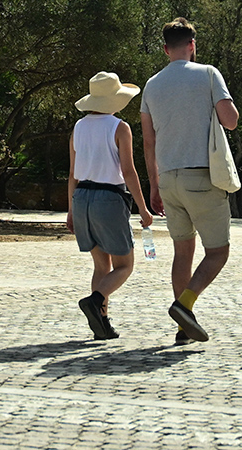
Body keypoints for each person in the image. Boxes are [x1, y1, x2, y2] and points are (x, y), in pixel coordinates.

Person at [141, 18, 239, 345]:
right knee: (218, 251)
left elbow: (148, 141)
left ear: (166, 48)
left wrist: (153, 185)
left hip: (168, 177)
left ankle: (184, 327)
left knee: (182, 251)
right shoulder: (208, 74)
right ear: (192, 46)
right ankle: (184, 305)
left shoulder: (152, 85)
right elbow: (231, 121)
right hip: (202, 174)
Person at [67, 71, 154, 340]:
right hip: (109, 198)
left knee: (100, 266)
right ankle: (96, 301)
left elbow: (72, 173)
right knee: (125, 265)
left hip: (81, 198)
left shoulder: (78, 128)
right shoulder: (119, 127)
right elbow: (128, 171)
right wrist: (143, 208)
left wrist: (70, 209)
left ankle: (101, 325)